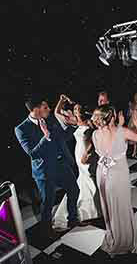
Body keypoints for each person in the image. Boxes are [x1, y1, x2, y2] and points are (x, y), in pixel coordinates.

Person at [15, 94, 81, 238]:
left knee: (74, 190)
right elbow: (32, 153)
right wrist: (45, 137)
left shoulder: (49, 120)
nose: (49, 109)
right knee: (48, 201)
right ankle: (46, 229)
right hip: (44, 171)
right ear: (36, 109)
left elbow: (63, 137)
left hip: (61, 165)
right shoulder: (21, 129)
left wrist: (74, 125)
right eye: (45, 107)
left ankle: (73, 220)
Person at [91, 104, 137, 256]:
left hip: (102, 173)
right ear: (113, 116)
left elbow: (106, 147)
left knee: (109, 206)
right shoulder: (123, 132)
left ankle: (114, 233)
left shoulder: (95, 134)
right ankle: (124, 239)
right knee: (121, 206)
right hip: (118, 174)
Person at [53, 103, 99, 229]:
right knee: (84, 179)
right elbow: (57, 113)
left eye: (78, 109)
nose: (76, 111)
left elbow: (94, 136)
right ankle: (83, 213)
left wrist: (89, 153)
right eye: (75, 109)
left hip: (87, 152)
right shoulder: (73, 121)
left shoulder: (89, 122)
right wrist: (61, 101)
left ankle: (91, 210)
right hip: (79, 152)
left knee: (89, 178)